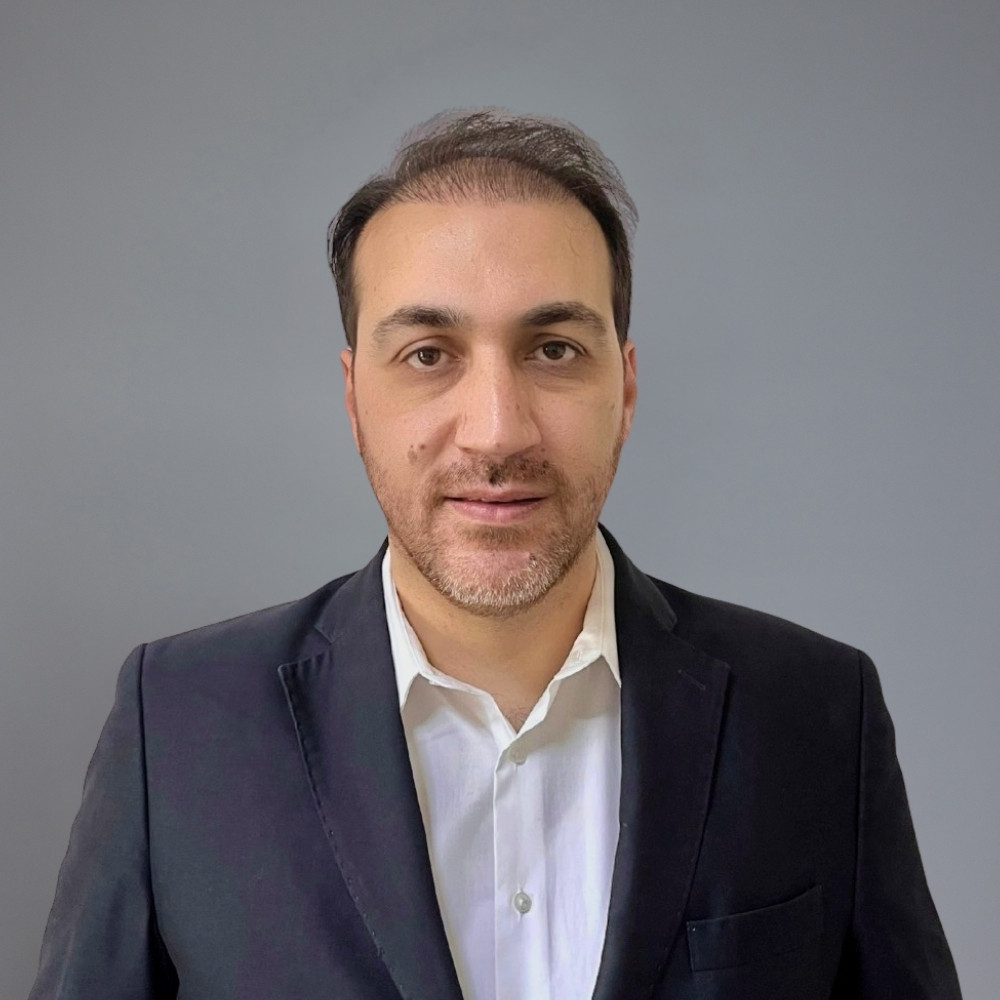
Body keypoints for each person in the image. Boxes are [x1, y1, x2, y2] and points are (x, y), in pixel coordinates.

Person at [29, 109, 961, 1000]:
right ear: (355, 398)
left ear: (624, 388)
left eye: (553, 349)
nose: (496, 431)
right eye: (429, 354)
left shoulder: (816, 713)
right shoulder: (179, 726)